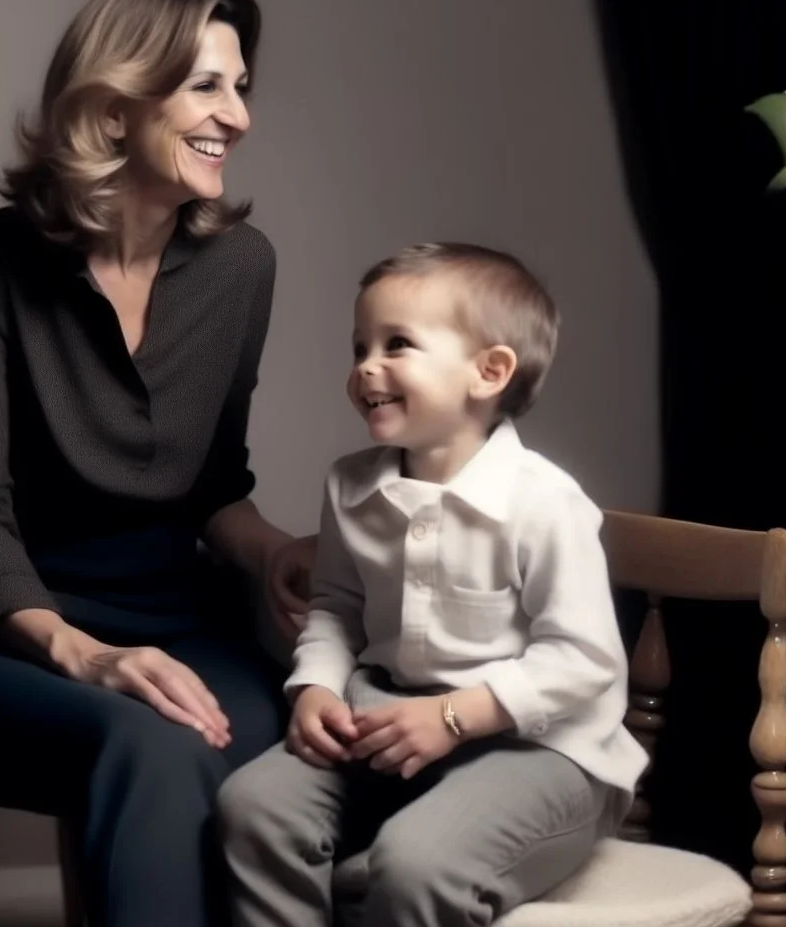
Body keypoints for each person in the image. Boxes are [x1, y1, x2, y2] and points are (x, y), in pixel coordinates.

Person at [0, 0, 314, 927]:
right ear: (115, 106)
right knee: (154, 745)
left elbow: (213, 486)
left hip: (183, 624)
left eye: (241, 87)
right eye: (207, 86)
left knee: (284, 756)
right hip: (13, 634)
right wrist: (81, 653)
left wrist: (273, 553)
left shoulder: (242, 269)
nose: (239, 116)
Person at [218, 242, 649, 927]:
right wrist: (316, 687)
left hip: (543, 751)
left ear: (489, 371)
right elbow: (336, 609)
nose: (366, 366)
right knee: (254, 808)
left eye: (397, 344)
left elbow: (584, 659)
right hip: (393, 722)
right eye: (360, 346)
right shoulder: (352, 485)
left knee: (418, 863)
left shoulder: (542, 502)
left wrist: (453, 717)